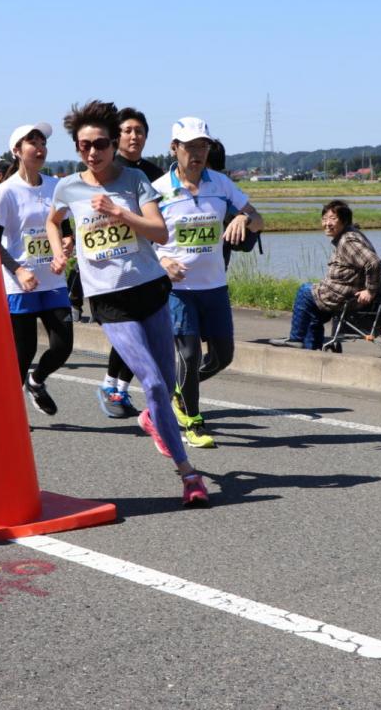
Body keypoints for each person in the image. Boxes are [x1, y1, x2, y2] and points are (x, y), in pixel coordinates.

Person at [46, 100, 209, 507]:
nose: (92, 153)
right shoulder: (68, 187)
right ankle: (188, 474)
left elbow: (158, 231)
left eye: (100, 144)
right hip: (107, 298)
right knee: (152, 382)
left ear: (113, 143)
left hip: (149, 288)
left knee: (165, 386)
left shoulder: (134, 179)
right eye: (83, 146)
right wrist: (58, 251)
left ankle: (154, 418)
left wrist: (120, 212)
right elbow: (53, 220)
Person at [152, 118, 263, 448]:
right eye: (190, 147)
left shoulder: (221, 184)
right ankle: (192, 421)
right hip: (178, 290)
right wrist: (161, 261)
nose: (197, 154)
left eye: (203, 146)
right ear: (175, 149)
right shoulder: (158, 190)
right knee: (187, 354)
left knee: (223, 356)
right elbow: (139, 239)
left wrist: (243, 217)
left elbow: (259, 218)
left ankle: (180, 392)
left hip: (214, 286)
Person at [0, 122, 74, 415]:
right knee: (22, 355)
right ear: (17, 151)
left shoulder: (56, 186)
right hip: (20, 283)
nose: (39, 149)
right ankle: (9, 415)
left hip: (52, 279)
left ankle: (37, 381)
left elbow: (66, 228)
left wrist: (67, 243)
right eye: (32, 143)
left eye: (42, 143)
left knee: (63, 345)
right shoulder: (5, 192)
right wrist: (17, 269)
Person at [92, 107, 165, 419]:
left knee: (142, 332)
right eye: (128, 131)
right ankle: (113, 387)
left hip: (150, 262)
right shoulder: (106, 171)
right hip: (115, 268)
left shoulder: (153, 173)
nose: (134, 136)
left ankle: (118, 387)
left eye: (140, 131)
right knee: (130, 331)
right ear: (115, 137)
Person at [270, 200, 380, 349]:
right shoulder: (350, 234)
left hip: (344, 296)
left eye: (333, 219)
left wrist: (370, 290)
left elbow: (373, 262)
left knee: (304, 291)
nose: (327, 223)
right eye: (324, 219)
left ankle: (296, 338)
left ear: (344, 221)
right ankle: (312, 349)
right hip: (344, 292)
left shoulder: (347, 240)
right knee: (312, 312)